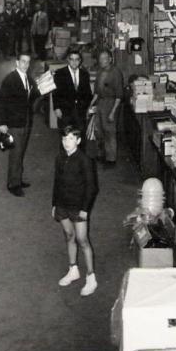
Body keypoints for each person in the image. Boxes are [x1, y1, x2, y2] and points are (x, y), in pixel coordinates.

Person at [52, 125, 99, 297]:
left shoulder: (84, 160)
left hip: (78, 207)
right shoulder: (59, 158)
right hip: (63, 205)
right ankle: (73, 269)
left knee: (82, 240)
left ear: (78, 141)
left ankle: (91, 276)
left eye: (71, 139)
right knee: (69, 236)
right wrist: (54, 204)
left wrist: (85, 209)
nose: (66, 142)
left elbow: (92, 187)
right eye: (64, 139)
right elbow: (56, 182)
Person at [0, 52, 40, 196]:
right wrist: (1, 123)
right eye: (23, 62)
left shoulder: (27, 78)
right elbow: (1, 101)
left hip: (24, 120)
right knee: (15, 153)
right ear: (17, 63)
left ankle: (18, 179)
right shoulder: (11, 79)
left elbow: (31, 97)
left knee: (20, 151)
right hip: (14, 122)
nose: (26, 65)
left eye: (28, 62)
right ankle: (13, 184)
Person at [93, 51, 125, 167]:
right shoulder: (100, 71)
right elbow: (96, 92)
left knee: (110, 132)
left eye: (104, 58)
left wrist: (112, 112)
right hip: (101, 102)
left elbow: (119, 96)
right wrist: (91, 105)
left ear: (110, 59)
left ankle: (111, 159)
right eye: (100, 59)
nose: (102, 61)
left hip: (111, 103)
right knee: (99, 131)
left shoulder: (115, 73)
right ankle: (101, 154)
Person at [52, 49, 93, 133]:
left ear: (80, 61)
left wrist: (88, 108)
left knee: (80, 138)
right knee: (66, 138)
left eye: (77, 59)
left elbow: (88, 93)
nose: (74, 62)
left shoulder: (84, 74)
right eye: (72, 59)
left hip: (80, 112)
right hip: (65, 112)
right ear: (68, 60)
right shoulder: (60, 73)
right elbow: (55, 93)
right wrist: (57, 108)